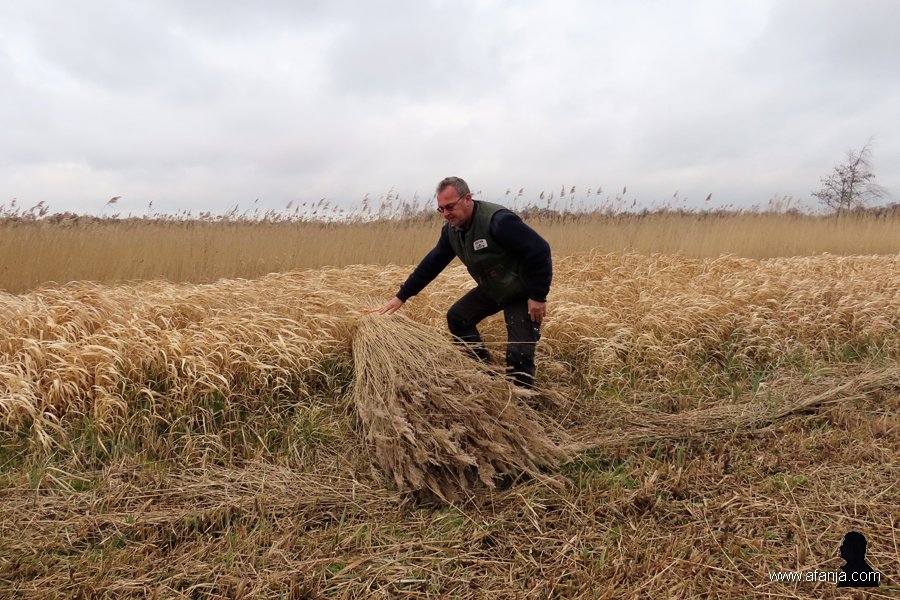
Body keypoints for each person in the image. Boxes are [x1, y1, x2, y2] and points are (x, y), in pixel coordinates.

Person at [365, 176, 552, 389]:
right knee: (458, 318)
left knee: (519, 353)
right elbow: (433, 262)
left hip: (521, 291)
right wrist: (401, 297)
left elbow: (540, 250)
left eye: (450, 207)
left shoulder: (498, 221)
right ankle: (487, 376)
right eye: (441, 209)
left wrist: (537, 296)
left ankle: (526, 408)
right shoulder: (452, 231)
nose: (446, 214)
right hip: (493, 289)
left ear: (468, 199)